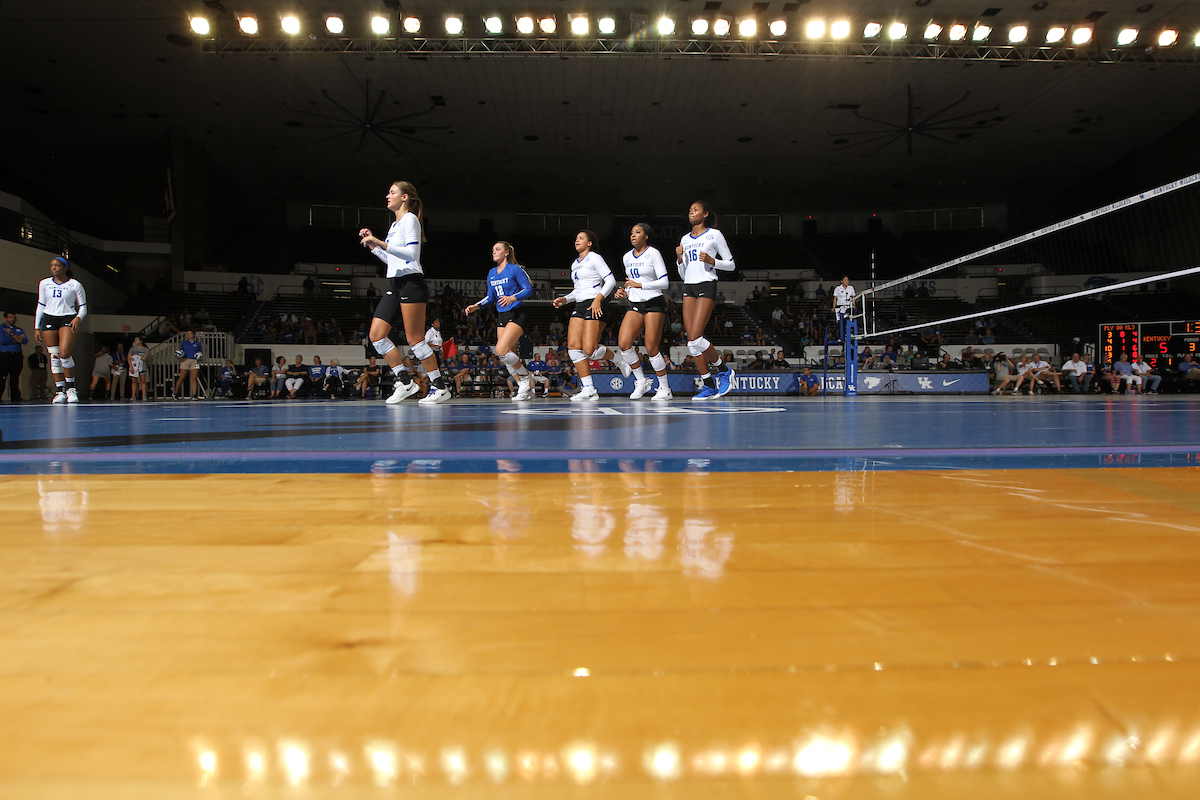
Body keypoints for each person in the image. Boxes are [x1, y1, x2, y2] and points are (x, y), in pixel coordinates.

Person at [359, 180, 451, 404]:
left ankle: (440, 387)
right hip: (395, 283)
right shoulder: (394, 225)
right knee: (376, 335)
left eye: (392, 192)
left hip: (411, 282)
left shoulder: (410, 219)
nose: (387, 196)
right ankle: (405, 381)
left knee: (415, 340)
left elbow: (411, 255)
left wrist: (379, 242)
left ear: (405, 197)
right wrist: (374, 247)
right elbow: (393, 259)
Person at [551, 230, 631, 403]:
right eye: (576, 238)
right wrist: (566, 299)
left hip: (596, 303)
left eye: (581, 238)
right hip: (580, 305)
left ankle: (618, 359)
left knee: (590, 351)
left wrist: (598, 300)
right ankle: (589, 389)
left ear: (590, 243)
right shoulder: (575, 264)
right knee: (573, 348)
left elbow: (610, 280)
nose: (577, 240)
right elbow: (578, 290)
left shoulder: (595, 257)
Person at [675, 201, 737, 400]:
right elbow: (683, 273)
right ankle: (709, 385)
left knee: (695, 337)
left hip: (706, 284)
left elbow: (731, 265)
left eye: (696, 209)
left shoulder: (714, 234)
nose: (691, 212)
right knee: (691, 343)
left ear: (706, 214)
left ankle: (724, 370)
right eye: (690, 210)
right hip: (689, 286)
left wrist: (713, 261)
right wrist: (679, 260)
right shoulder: (685, 239)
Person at [465, 242, 535, 402]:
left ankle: (525, 377)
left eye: (497, 249)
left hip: (516, 313)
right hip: (502, 315)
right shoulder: (491, 273)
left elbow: (528, 289)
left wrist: (512, 298)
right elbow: (491, 297)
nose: (494, 252)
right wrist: (476, 306)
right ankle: (524, 388)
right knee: (508, 356)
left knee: (501, 350)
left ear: (506, 252)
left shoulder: (515, 269)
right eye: (493, 250)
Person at [613, 223, 673, 401]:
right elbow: (631, 283)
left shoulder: (653, 253)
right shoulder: (626, 257)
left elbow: (664, 282)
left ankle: (664, 388)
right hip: (635, 303)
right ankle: (641, 381)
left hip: (654, 302)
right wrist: (624, 292)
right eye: (631, 232)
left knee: (652, 348)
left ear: (646, 236)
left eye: (637, 232)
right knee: (624, 344)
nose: (633, 235)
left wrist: (640, 285)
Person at [34, 257, 88, 403]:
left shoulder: (74, 284)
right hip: (49, 318)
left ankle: (71, 389)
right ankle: (59, 391)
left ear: (65, 267)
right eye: (52, 265)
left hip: (68, 318)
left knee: (64, 353)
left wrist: (78, 318)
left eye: (57, 265)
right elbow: (41, 305)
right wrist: (37, 327)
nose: (54, 268)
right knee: (54, 355)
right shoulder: (44, 283)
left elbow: (83, 306)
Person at [0, 311, 28, 402]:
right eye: (10, 317)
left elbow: (25, 341)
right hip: (5, 354)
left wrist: (12, 334)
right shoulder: (1, 328)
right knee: (2, 377)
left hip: (17, 355)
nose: (12, 319)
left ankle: (16, 397)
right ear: (6, 318)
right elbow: (3, 341)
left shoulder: (19, 329)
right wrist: (18, 338)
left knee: (15, 377)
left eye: (14, 318)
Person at [172, 329, 203, 400]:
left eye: (190, 333)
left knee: (194, 378)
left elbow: (200, 352)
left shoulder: (197, 343)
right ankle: (175, 393)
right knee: (182, 377)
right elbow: (181, 352)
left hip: (194, 361)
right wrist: (179, 356)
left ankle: (194, 395)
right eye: (187, 334)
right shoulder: (184, 343)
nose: (188, 335)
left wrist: (199, 356)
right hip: (185, 360)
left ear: (193, 334)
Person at [832, 276, 857, 342]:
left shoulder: (851, 288)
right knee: (840, 322)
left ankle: (850, 333)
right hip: (840, 307)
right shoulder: (838, 288)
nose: (847, 281)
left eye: (847, 280)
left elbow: (853, 298)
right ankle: (840, 337)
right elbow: (835, 298)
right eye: (845, 280)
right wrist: (834, 307)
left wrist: (854, 306)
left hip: (848, 306)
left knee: (849, 320)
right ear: (842, 281)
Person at [128, 336, 149, 401]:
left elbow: (144, 358)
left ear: (140, 341)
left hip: (142, 366)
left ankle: (144, 395)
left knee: (143, 381)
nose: (135, 341)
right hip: (134, 367)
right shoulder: (132, 349)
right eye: (135, 340)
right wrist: (131, 367)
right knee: (134, 381)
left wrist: (135, 357)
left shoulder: (145, 349)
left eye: (137, 340)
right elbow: (129, 358)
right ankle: (133, 395)